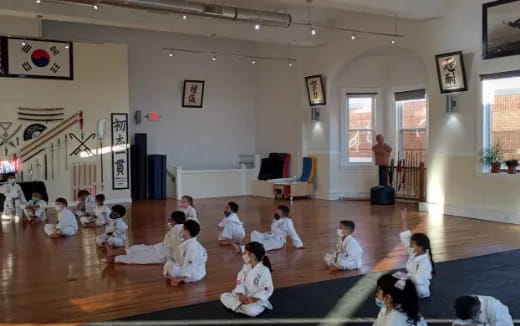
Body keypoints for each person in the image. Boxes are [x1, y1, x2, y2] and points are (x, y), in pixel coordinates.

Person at [107, 211, 186, 275]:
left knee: (137, 256)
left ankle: (114, 258)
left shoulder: (178, 231)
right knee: (138, 248)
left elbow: (177, 251)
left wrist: (170, 262)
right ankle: (113, 253)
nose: (169, 221)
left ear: (174, 221)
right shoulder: (179, 228)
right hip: (159, 248)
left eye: (170, 219)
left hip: (160, 255)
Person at [220, 242, 274, 317]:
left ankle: (238, 307)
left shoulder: (264, 270)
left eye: (245, 253)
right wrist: (241, 294)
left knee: (252, 311)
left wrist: (253, 299)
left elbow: (267, 289)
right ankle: (241, 307)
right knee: (223, 296)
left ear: (252, 255)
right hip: (244, 296)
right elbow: (239, 281)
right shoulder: (246, 266)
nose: (243, 255)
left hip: (256, 300)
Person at [400, 208, 435, 298]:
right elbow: (406, 238)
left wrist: (404, 277)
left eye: (412, 244)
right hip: (410, 280)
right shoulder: (415, 252)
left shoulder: (425, 262)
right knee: (394, 284)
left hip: (420, 288)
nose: (410, 245)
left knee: (401, 289)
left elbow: (417, 278)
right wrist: (403, 219)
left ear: (420, 247)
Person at [165, 219, 208, 285]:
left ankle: (176, 279)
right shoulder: (188, 241)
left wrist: (180, 279)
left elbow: (190, 263)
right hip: (188, 267)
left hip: (194, 273)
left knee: (171, 267)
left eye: (183, 229)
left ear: (187, 232)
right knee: (169, 264)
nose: (181, 230)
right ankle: (173, 277)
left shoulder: (192, 247)